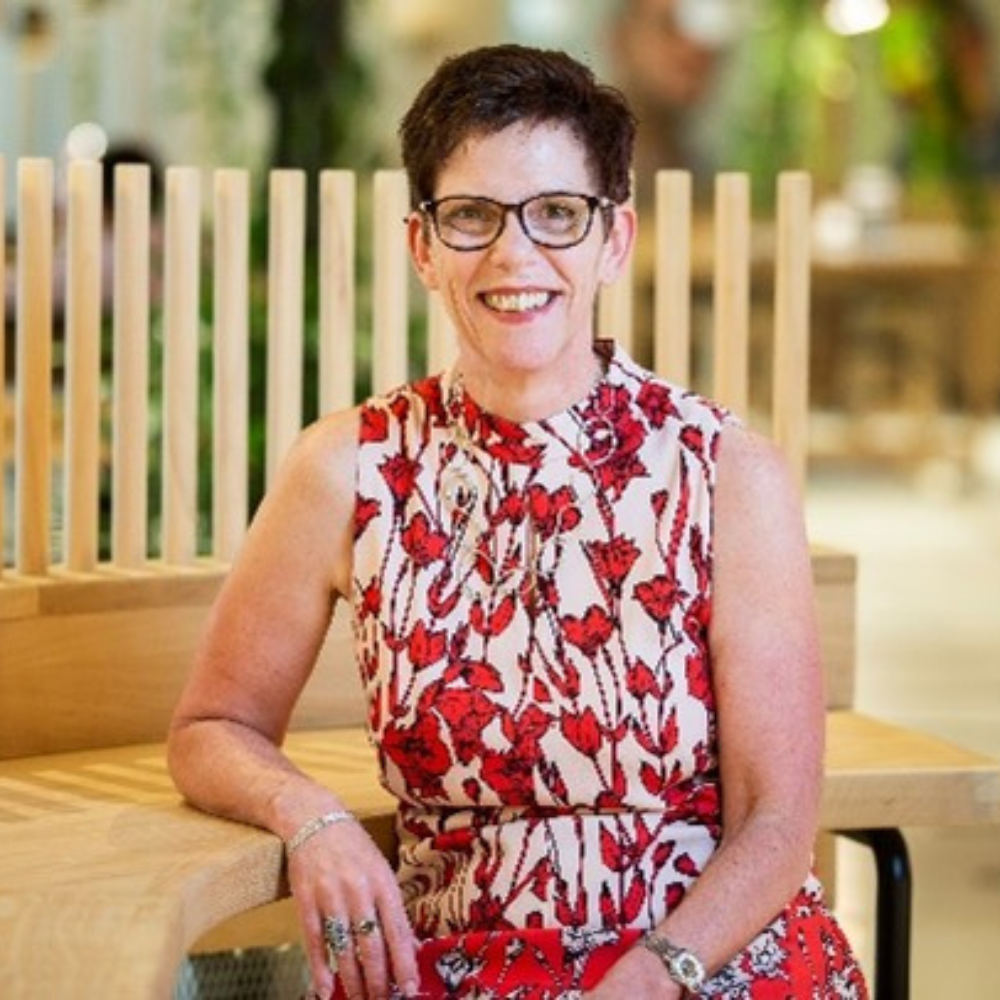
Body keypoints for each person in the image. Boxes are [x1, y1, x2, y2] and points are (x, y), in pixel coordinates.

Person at [168, 44, 868, 999]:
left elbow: (779, 821)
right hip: (459, 967)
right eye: (469, 216)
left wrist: (656, 974)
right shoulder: (348, 468)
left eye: (556, 214)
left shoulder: (724, 473)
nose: (514, 253)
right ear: (422, 245)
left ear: (613, 240)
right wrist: (310, 818)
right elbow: (213, 726)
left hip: (708, 957)